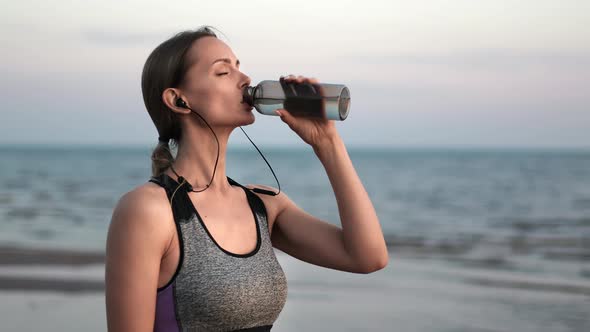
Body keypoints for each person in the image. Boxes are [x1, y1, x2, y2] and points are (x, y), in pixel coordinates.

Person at [105, 25, 388, 332]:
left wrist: (327, 143)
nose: (246, 80)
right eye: (223, 72)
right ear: (178, 100)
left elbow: (367, 257)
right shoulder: (149, 210)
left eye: (239, 67)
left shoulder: (264, 205)